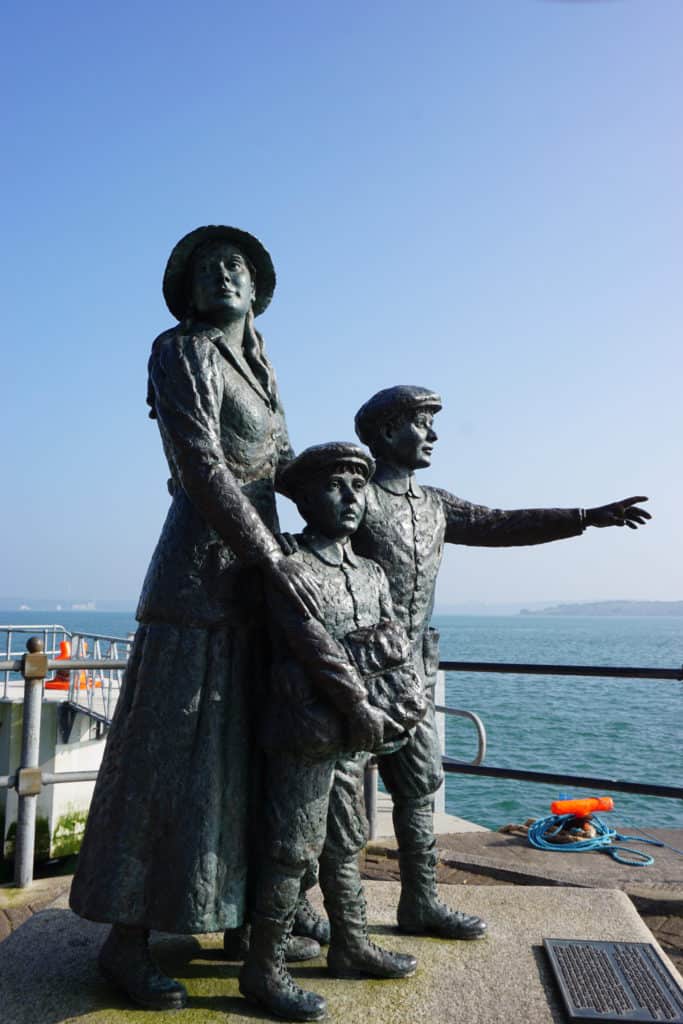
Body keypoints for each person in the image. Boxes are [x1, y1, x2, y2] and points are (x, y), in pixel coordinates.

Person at [69, 227, 380, 1011]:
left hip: (259, 580)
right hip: (200, 581)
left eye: (235, 265)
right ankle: (125, 941)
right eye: (205, 269)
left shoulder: (264, 367)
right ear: (188, 292)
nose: (222, 275)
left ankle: (242, 916)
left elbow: (282, 472)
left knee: (249, 751)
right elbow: (200, 464)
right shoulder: (181, 350)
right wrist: (273, 557)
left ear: (259, 285)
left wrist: (338, 534)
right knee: (168, 758)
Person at [350, 384, 651, 942]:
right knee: (334, 800)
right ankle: (317, 917)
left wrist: (585, 516)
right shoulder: (355, 498)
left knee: (418, 787)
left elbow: (501, 523)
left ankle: (421, 902)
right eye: (422, 422)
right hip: (352, 676)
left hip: (410, 677)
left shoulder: (434, 505)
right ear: (389, 431)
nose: (435, 435)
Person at [240, 443, 420, 1023]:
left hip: (353, 732)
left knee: (347, 838)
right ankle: (263, 968)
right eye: (334, 486)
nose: (349, 497)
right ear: (304, 498)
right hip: (306, 729)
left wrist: (398, 702)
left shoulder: (369, 572)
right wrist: (362, 703)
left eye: (357, 486)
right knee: (291, 849)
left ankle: (351, 942)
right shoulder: (289, 565)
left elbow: (392, 639)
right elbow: (313, 644)